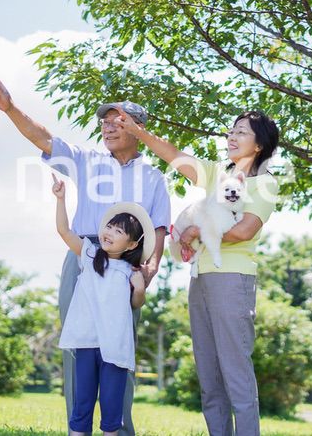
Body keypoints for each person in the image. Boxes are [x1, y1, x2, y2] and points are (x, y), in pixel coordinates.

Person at [0, 73, 170, 436]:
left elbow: (160, 229)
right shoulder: (87, 160)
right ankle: (78, 428)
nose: (108, 127)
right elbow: (44, 138)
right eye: (104, 122)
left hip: (125, 267)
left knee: (119, 350)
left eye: (118, 121)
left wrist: (149, 269)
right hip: (83, 255)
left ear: (138, 128)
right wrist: (10, 109)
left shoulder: (153, 177)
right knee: (78, 348)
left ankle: (118, 428)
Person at [115, 108, 280, 436]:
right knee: (209, 376)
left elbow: (245, 230)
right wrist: (138, 131)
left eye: (242, 132)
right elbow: (175, 156)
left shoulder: (264, 183)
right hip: (200, 278)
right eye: (231, 131)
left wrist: (194, 233)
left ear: (259, 145)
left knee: (236, 374)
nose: (232, 137)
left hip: (232, 280)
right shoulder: (220, 174)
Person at [52, 172, 152, 436]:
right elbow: (64, 231)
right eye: (109, 226)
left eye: (119, 231)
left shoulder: (129, 271)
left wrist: (140, 288)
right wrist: (61, 199)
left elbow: (134, 303)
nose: (110, 232)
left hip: (115, 348)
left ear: (131, 244)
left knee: (111, 407)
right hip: (87, 342)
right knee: (82, 403)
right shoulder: (89, 254)